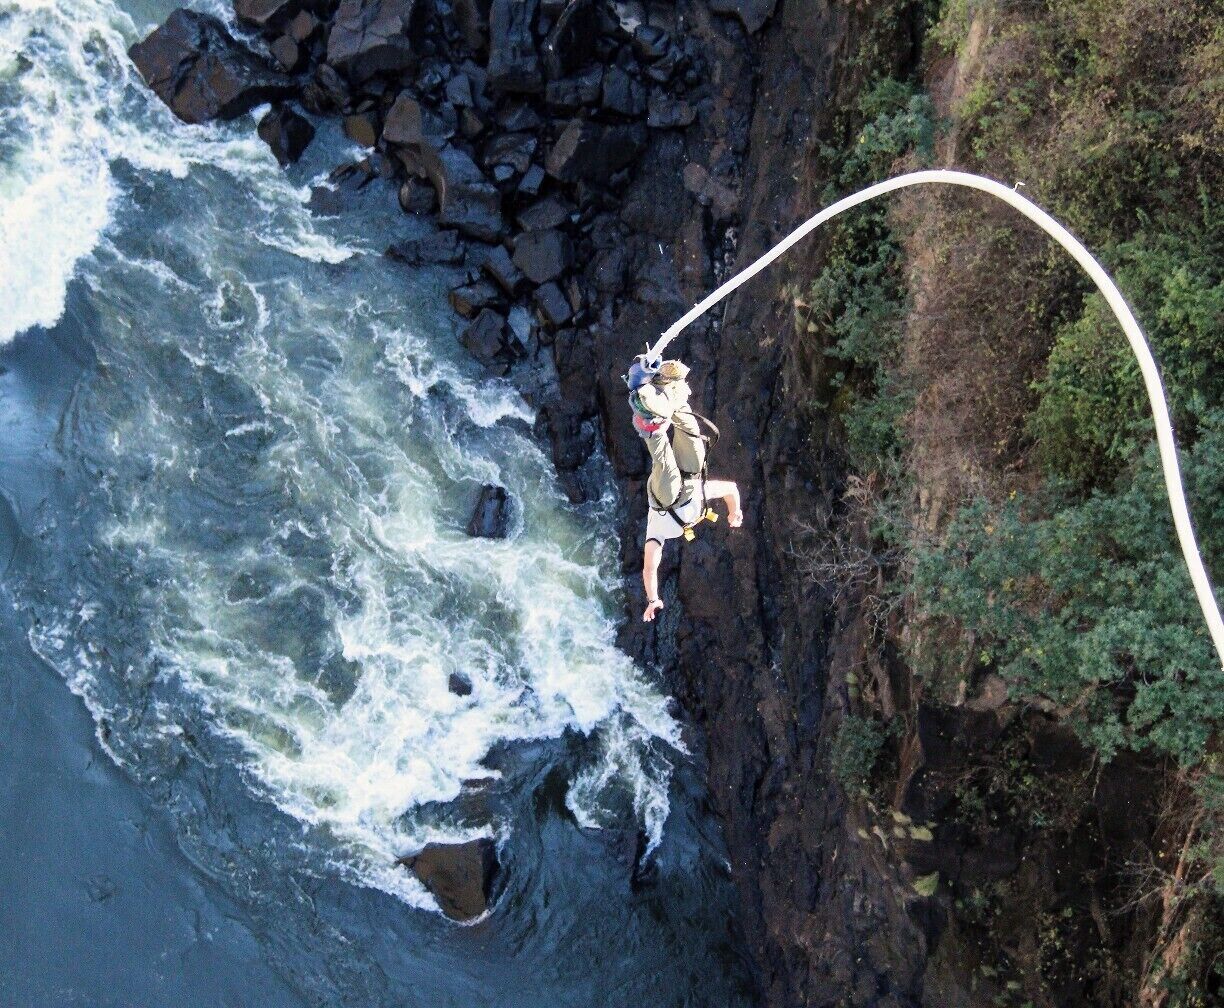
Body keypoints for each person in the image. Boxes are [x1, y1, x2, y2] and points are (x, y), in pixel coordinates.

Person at [625, 358, 742, 623]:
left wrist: (653, 599)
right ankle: (670, 388)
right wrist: (735, 512)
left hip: (666, 498)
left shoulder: (661, 532)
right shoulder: (701, 501)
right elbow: (731, 489)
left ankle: (648, 418)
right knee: (690, 430)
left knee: (662, 457)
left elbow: (649, 568)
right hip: (691, 480)